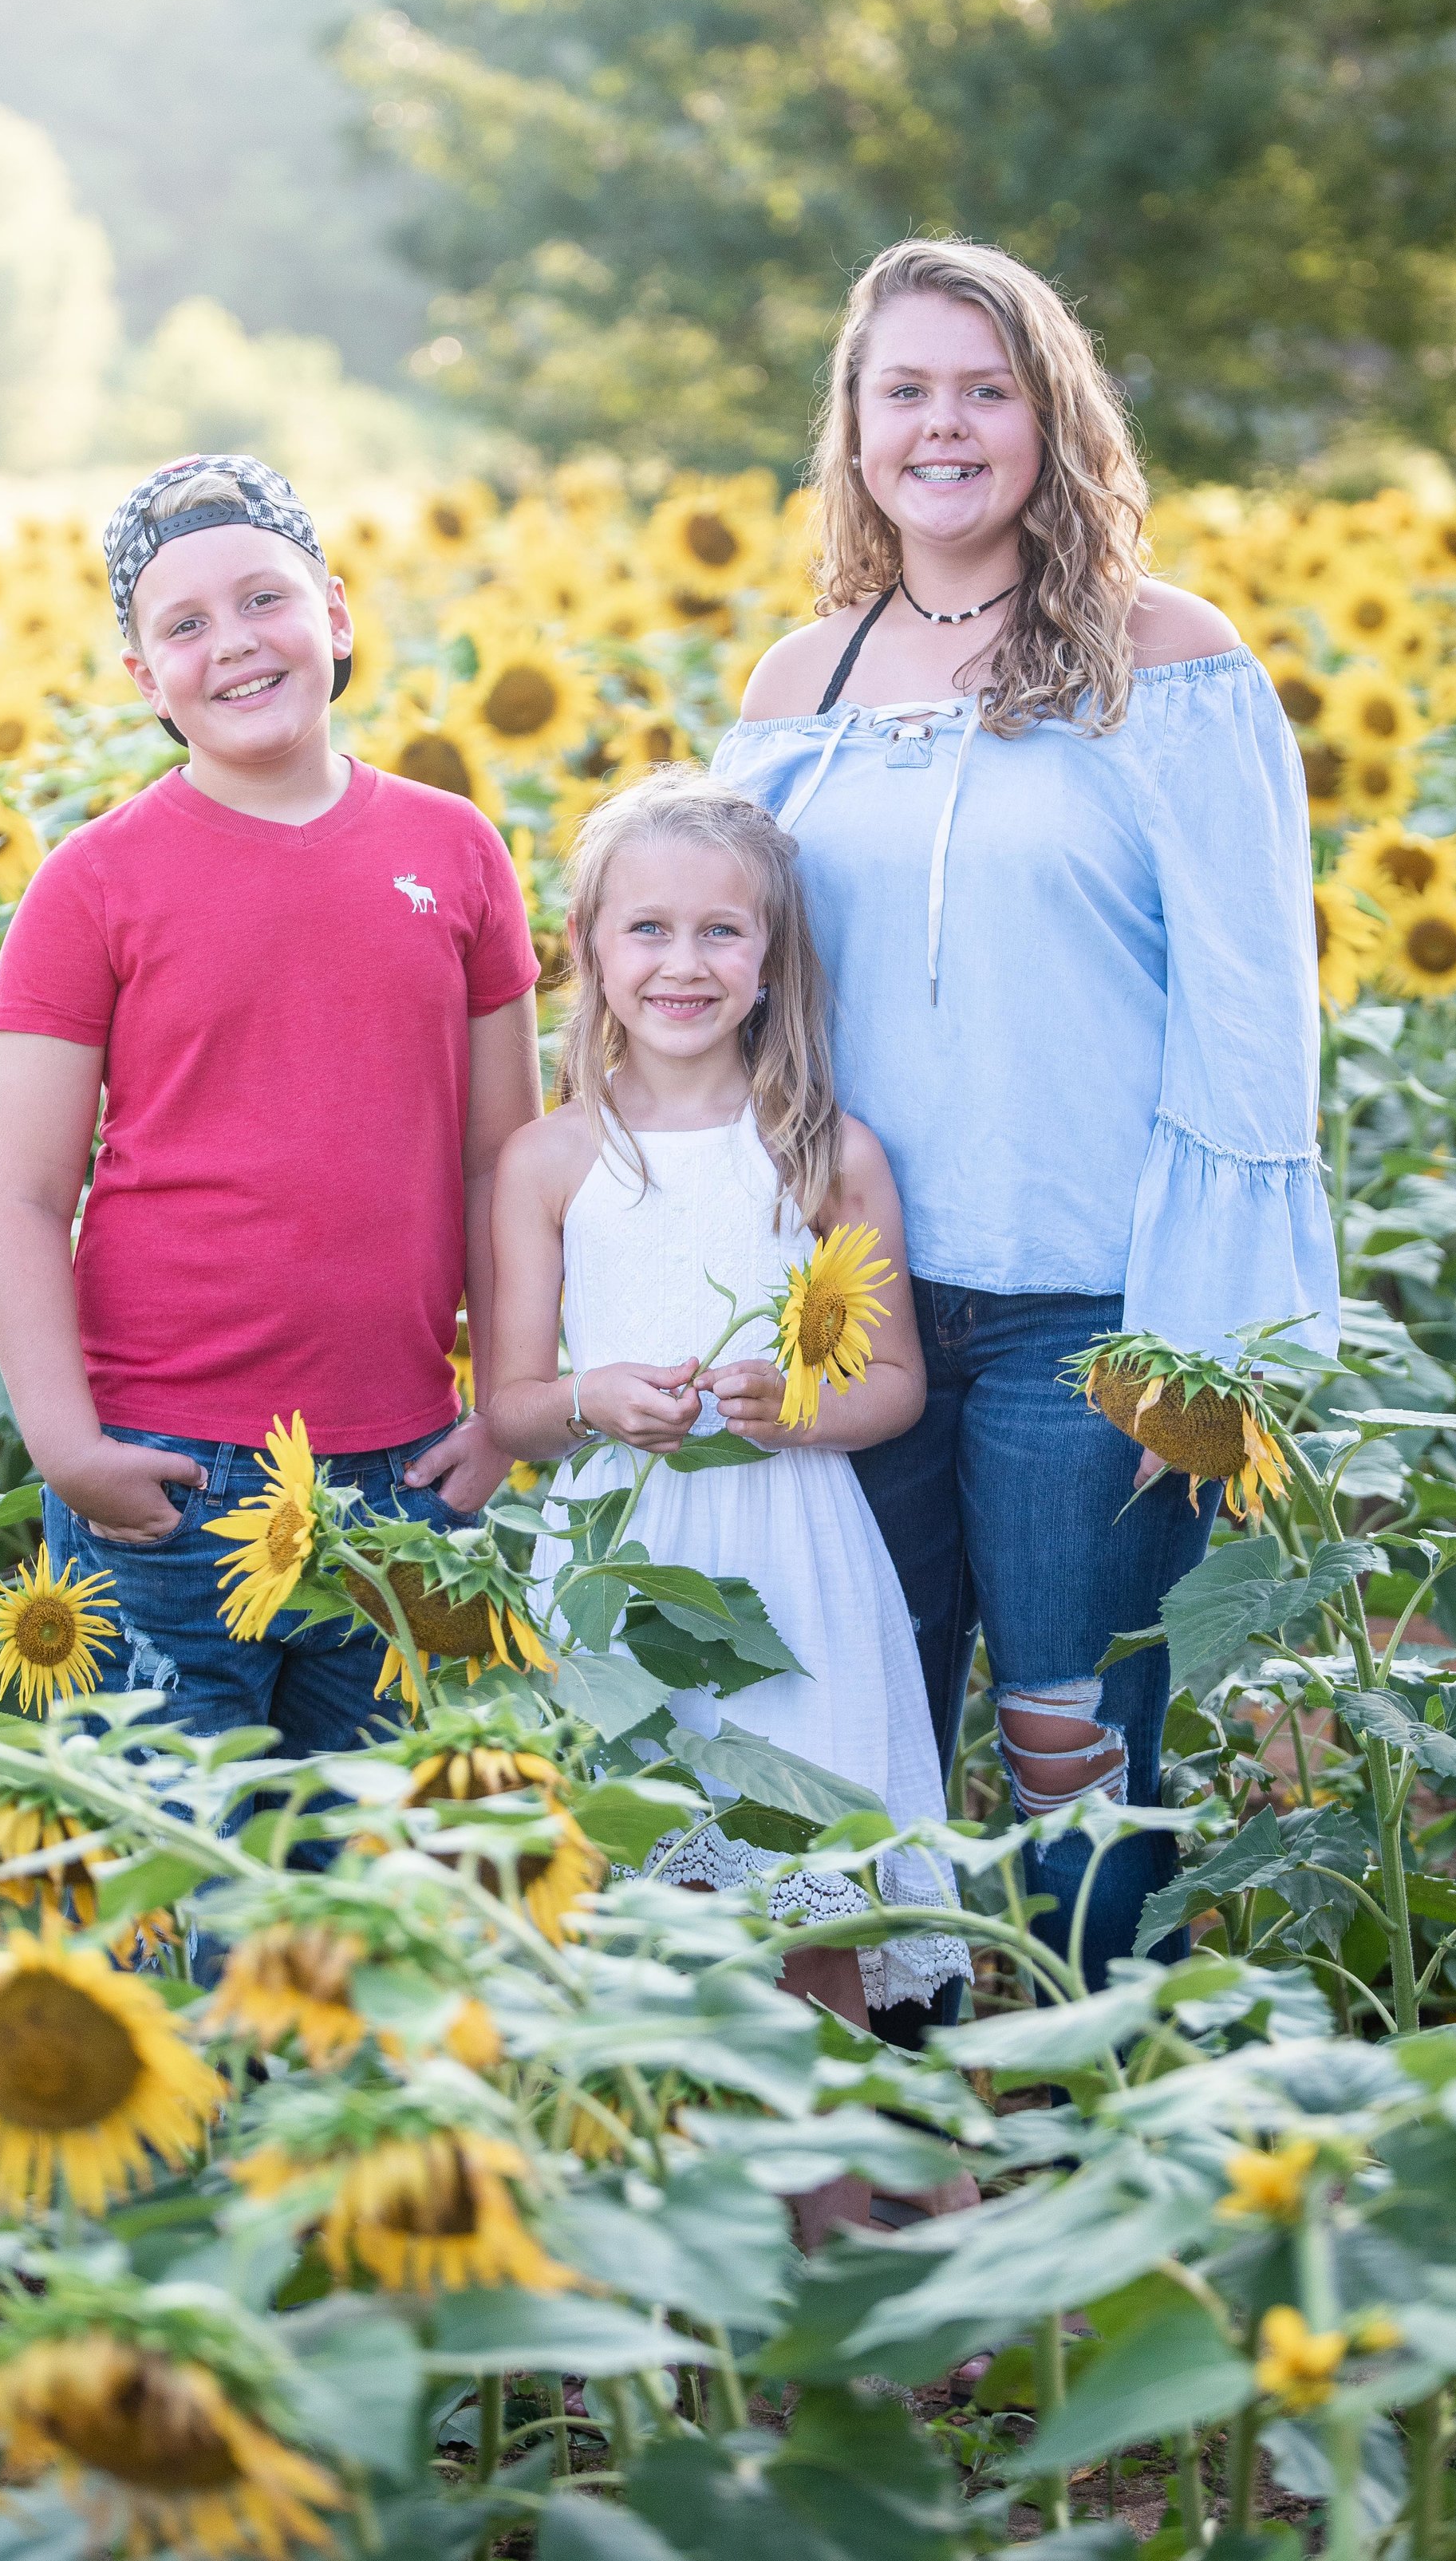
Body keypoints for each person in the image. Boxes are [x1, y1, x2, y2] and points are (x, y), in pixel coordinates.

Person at [713, 239, 1339, 2001]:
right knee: (864, 1737)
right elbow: (732, 1005)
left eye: (985, 389)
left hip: (1091, 1313)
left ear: (1050, 420)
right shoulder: (792, 691)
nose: (943, 425)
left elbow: (1247, 1015)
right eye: (903, 388)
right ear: (847, 425)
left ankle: (1085, 2118)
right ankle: (898, 2127)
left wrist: (1205, 1346)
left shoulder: (1165, 659)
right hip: (850, 1308)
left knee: (1073, 1748)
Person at [0, 451, 543, 1786]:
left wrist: (511, 1403)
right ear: (142, 676)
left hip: (404, 1464)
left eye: (264, 599)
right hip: (163, 1476)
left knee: (367, 1891)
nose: (234, 644)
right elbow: (18, 1196)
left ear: (335, 614)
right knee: (174, 1886)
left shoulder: (456, 848)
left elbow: (502, 1163)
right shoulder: (92, 884)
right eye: (184, 624)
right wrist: (67, 1445)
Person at [486, 768, 972, 2231]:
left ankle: (853, 2242)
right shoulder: (553, 1159)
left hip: (793, 1559)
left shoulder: (826, 1151)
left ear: (774, 961)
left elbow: (896, 1383)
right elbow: (510, 1405)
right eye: (648, 929)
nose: (682, 965)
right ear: (587, 946)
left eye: (720, 934)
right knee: (660, 1905)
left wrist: (798, 1404)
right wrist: (593, 1399)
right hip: (623, 1567)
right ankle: (696, 2244)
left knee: (813, 1906)